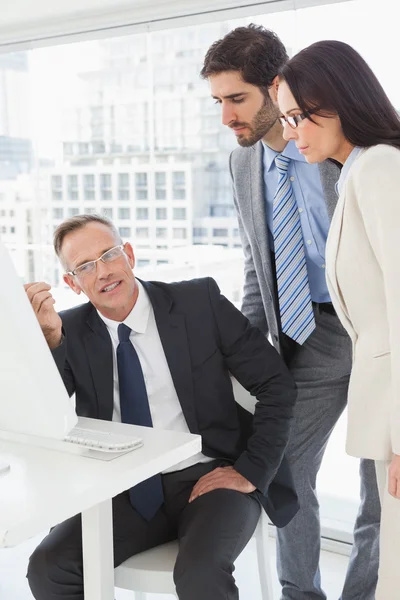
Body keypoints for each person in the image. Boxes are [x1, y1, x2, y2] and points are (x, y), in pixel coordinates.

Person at [25, 213, 298, 600]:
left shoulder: (198, 302)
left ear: (130, 255)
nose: (103, 272)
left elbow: (276, 384)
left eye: (109, 255)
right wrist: (50, 339)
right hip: (126, 488)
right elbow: (42, 415)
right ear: (72, 283)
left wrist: (250, 471)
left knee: (200, 575)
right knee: (49, 568)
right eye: (85, 266)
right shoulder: (68, 330)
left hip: (211, 475)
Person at [201, 25, 381, 600]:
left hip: (379, 327)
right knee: (288, 472)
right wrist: (250, 357)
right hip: (313, 333)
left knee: (380, 481)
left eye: (237, 99)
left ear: (275, 88)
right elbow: (260, 267)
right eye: (218, 102)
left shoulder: (349, 149)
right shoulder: (242, 165)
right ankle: (299, 592)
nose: (227, 117)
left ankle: (367, 592)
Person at [277, 38, 400, 600]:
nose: (291, 132)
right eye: (285, 119)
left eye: (299, 116)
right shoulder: (353, 171)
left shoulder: (379, 168)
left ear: (341, 100)